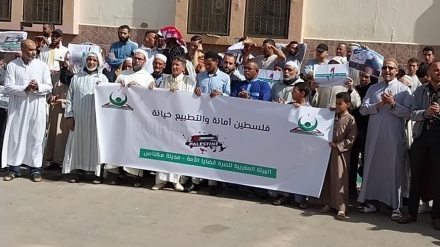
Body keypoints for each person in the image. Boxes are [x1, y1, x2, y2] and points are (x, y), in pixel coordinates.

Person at [357, 58, 413, 220]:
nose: (387, 71)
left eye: (391, 68)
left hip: (393, 135)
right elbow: (362, 110)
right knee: (373, 165)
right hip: (374, 135)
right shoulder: (373, 88)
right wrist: (379, 105)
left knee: (393, 168)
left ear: (396, 71)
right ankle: (371, 202)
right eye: (385, 68)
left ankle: (395, 206)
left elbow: (409, 113)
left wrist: (393, 104)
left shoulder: (403, 90)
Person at [397, 60, 440, 230]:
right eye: (435, 70)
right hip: (422, 135)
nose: (438, 72)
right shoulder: (421, 90)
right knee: (416, 176)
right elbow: (412, 113)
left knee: (438, 178)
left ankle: (436, 215)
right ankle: (411, 212)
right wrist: (426, 112)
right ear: (429, 72)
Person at [2, 40, 52, 182]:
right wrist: (25, 88)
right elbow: (8, 87)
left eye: (35, 49)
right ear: (22, 49)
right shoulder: (13, 65)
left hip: (36, 107)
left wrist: (37, 87)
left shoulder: (42, 66)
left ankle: (35, 170)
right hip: (18, 108)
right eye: (30, 49)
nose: (33, 52)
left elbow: (49, 86)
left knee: (35, 137)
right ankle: (14, 169)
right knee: (16, 137)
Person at [151, 57, 196, 191]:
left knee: (179, 149)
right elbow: (158, 97)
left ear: (183, 67)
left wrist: (177, 92)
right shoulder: (165, 80)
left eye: (177, 65)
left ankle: (177, 180)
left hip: (182, 121)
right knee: (164, 148)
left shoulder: (190, 81)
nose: (174, 67)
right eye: (173, 65)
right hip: (166, 120)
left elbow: (190, 99)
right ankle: (161, 181)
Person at [62, 52, 109, 183]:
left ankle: (96, 174)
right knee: (77, 144)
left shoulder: (103, 79)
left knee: (95, 146)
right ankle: (77, 171)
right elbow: (69, 98)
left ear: (98, 62)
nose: (91, 62)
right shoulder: (76, 77)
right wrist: (69, 116)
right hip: (78, 118)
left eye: (94, 60)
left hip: (96, 120)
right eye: (89, 59)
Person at [191, 51, 231, 194]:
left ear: (216, 62)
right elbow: (195, 91)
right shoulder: (200, 76)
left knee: (212, 148)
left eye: (209, 64)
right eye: (205, 64)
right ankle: (195, 181)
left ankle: (212, 183)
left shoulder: (225, 78)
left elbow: (229, 96)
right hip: (200, 117)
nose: (207, 66)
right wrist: (195, 91)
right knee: (197, 147)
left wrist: (221, 95)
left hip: (216, 118)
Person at [316, 92, 357, 220]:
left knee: (340, 179)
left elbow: (351, 138)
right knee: (329, 177)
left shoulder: (350, 119)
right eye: (337, 103)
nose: (338, 106)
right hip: (328, 150)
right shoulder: (333, 116)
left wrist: (338, 145)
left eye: (340, 104)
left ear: (348, 104)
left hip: (341, 153)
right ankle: (329, 203)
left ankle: (341, 208)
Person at [39, 29, 70, 171]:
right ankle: (49, 158)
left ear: (61, 38)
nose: (54, 38)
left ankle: (59, 159)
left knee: (58, 124)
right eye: (53, 36)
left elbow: (68, 68)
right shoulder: (44, 50)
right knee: (49, 125)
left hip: (60, 80)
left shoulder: (65, 51)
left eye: (57, 36)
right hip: (46, 81)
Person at [349, 71, 374, 197]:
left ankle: (365, 190)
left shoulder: (373, 89)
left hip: (367, 129)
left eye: (366, 77)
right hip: (355, 128)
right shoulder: (355, 89)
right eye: (362, 76)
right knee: (352, 158)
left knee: (366, 160)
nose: (363, 78)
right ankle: (351, 189)